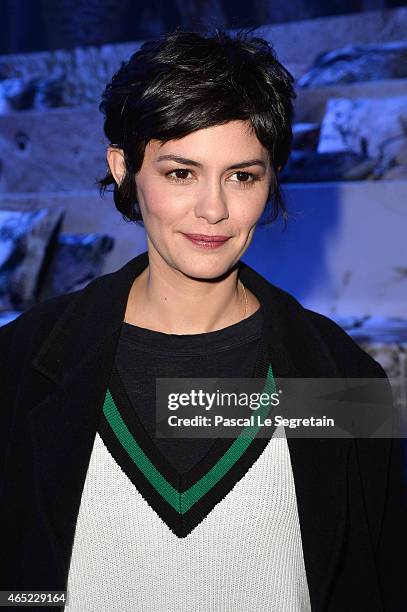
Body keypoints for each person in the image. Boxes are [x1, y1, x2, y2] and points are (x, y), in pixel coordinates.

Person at [0, 28, 406, 612]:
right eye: (180, 173)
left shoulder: (346, 380)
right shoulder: (19, 363)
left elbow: (372, 582)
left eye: (243, 175)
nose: (214, 209)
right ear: (123, 169)